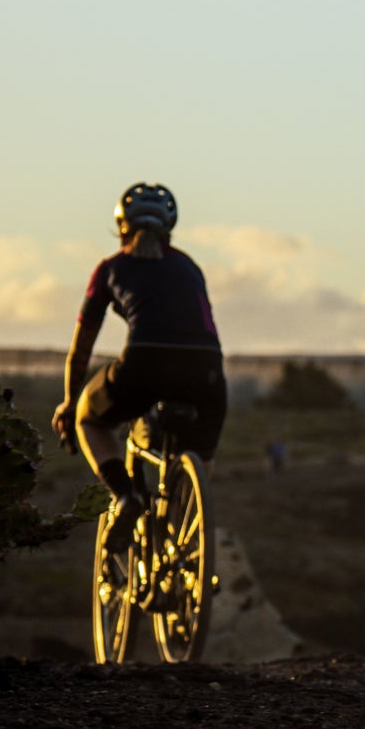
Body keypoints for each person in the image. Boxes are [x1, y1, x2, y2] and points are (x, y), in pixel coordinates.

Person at [51, 183, 227, 533]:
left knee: (90, 417)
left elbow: (81, 350)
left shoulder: (110, 269)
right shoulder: (189, 267)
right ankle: (183, 531)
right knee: (200, 459)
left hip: (144, 363)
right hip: (207, 369)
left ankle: (124, 496)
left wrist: (70, 403)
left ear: (121, 228)